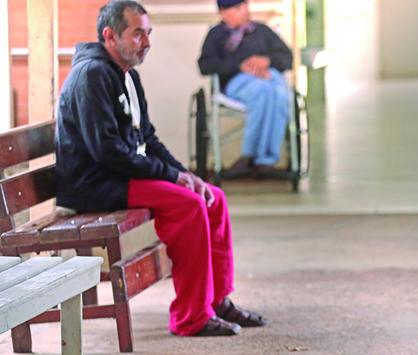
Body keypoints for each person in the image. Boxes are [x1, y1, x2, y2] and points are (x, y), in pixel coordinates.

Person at [56, 0, 265, 337]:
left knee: (211, 197)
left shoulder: (127, 76)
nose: (147, 42)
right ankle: (191, 317)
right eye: (138, 34)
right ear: (110, 36)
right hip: (95, 183)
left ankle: (217, 299)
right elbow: (108, 153)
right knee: (188, 205)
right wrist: (172, 177)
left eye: (148, 33)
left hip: (120, 174)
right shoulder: (91, 76)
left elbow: (147, 139)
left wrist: (187, 175)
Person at [197, 0, 294, 178]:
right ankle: (253, 156)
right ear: (223, 12)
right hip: (238, 81)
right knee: (263, 92)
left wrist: (266, 61)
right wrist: (241, 65)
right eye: (238, 8)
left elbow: (287, 57)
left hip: (270, 77)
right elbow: (205, 65)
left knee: (279, 94)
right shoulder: (217, 34)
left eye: (245, 5)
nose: (245, 11)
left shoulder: (262, 30)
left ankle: (264, 159)